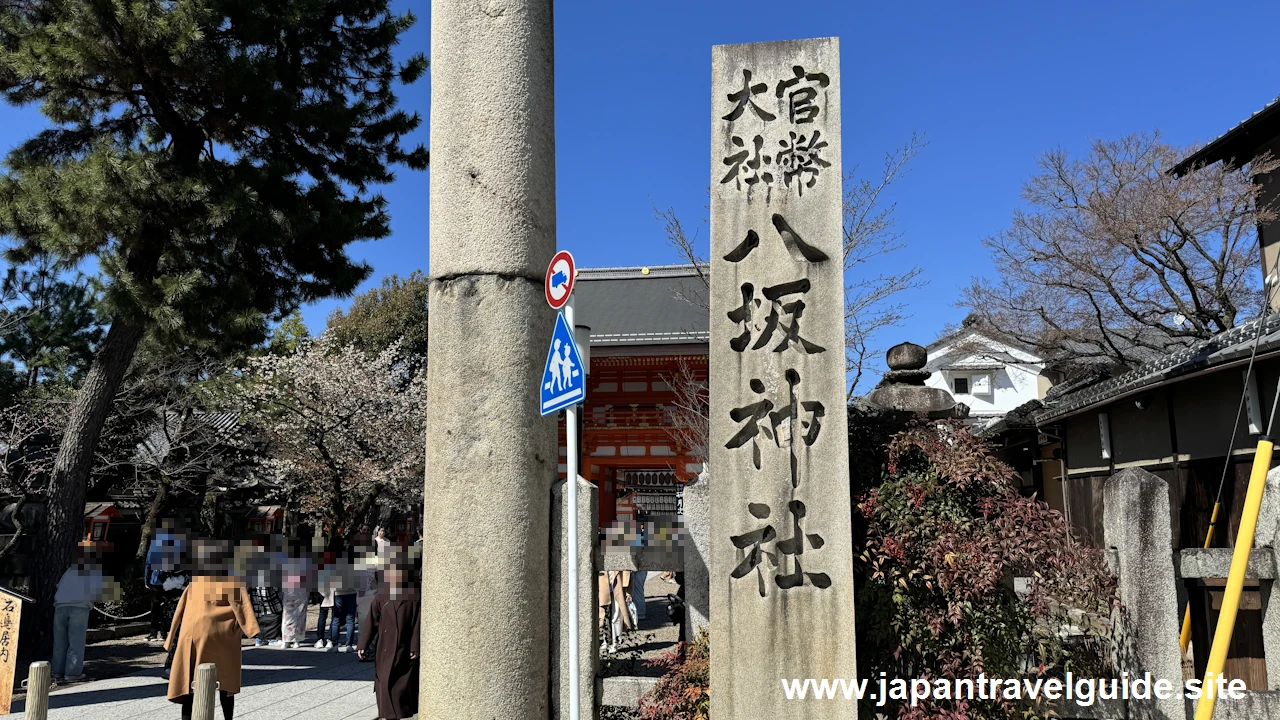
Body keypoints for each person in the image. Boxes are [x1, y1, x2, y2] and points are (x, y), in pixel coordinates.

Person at [166, 539, 259, 720]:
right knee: (225, 681)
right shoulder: (231, 583)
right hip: (221, 637)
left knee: (189, 681)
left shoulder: (195, 583)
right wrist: (251, 630)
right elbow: (243, 609)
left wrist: (170, 639)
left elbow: (180, 611)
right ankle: (228, 718)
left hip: (190, 635)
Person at [357, 558, 420, 720]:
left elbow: (416, 624)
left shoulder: (413, 597)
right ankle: (386, 714)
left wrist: (415, 646)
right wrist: (363, 644)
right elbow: (372, 621)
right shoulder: (382, 596)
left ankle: (399, 713)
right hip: (385, 646)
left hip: (404, 648)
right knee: (384, 681)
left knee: (400, 685)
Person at [52, 546, 118, 682]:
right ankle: (72, 672)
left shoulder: (70, 570)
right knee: (76, 642)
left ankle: (56, 672)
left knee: (60, 642)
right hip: (79, 607)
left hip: (60, 606)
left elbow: (59, 586)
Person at [279, 541, 313, 648]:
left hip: (289, 590)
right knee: (300, 615)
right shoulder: (305, 562)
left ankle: (286, 639)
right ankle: (296, 640)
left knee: (287, 615)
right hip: (302, 590)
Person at [328, 551, 359, 652]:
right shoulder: (354, 568)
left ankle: (335, 644)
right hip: (351, 593)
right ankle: (349, 644)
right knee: (350, 620)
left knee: (336, 620)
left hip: (339, 594)